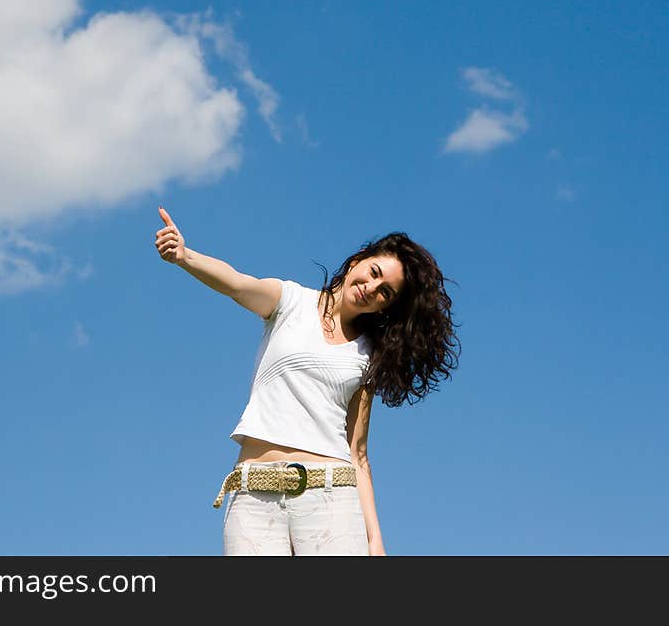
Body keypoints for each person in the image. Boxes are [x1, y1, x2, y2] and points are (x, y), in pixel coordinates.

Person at [154, 205, 460, 555]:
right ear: (359, 260)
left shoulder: (367, 356)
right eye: (373, 272)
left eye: (384, 292)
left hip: (331, 499)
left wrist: (375, 539)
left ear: (384, 307)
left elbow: (358, 454)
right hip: (254, 496)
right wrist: (184, 255)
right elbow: (238, 284)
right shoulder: (290, 301)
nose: (371, 287)